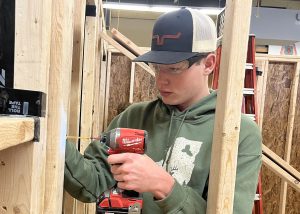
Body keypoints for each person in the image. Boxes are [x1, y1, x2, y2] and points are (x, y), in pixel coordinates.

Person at [64, 7, 262, 213]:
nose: (160, 79)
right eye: (156, 67)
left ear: (208, 64)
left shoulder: (237, 132)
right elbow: (91, 184)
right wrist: (57, 141)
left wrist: (164, 186)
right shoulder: (135, 117)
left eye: (174, 68)